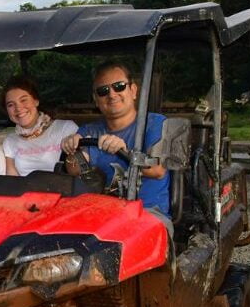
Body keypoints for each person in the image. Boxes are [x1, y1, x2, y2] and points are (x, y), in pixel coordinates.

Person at [60, 61, 170, 216]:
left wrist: (125, 152)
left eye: (119, 86)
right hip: (100, 213)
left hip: (147, 214)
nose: (111, 95)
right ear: (96, 100)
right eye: (103, 91)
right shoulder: (88, 130)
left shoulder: (156, 123)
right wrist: (72, 149)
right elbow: (74, 169)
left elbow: (157, 169)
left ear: (133, 90)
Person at [0, 75, 78, 175]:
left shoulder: (66, 128)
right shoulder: (10, 141)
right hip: (24, 185)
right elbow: (12, 180)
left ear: (36, 101)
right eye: (11, 105)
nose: (18, 108)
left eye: (23, 100)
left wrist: (72, 151)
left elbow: (78, 173)